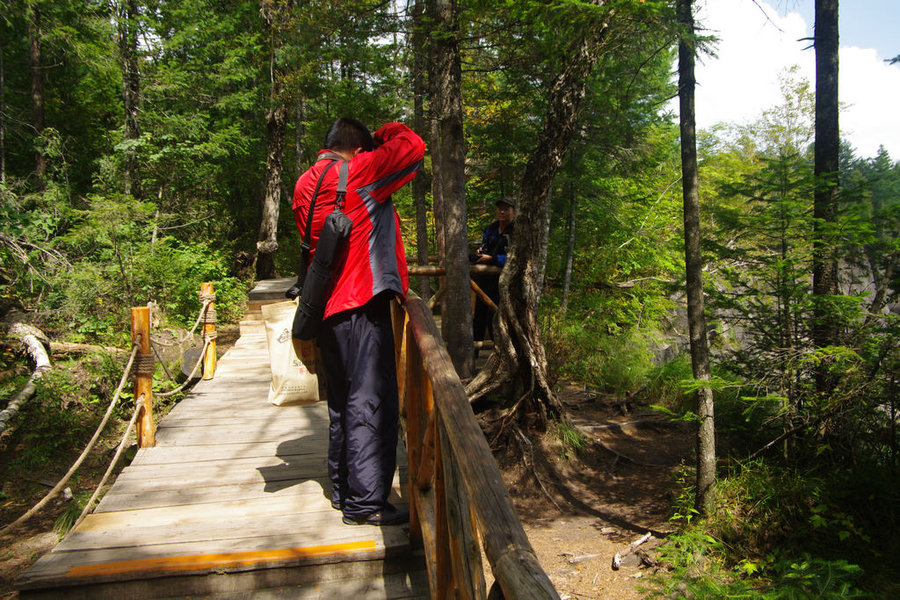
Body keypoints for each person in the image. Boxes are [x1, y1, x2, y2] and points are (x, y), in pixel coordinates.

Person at [292, 118, 425, 526]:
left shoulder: (304, 183)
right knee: (370, 402)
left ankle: (343, 490)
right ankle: (366, 504)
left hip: (325, 310)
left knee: (342, 403)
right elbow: (414, 147)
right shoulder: (360, 171)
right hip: (361, 304)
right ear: (357, 149)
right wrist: (384, 132)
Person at [471, 198, 515, 344]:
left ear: (513, 212)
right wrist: (481, 252)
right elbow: (484, 246)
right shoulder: (491, 229)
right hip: (484, 280)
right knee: (479, 316)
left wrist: (493, 258)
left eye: (506, 209)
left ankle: (498, 350)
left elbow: (515, 258)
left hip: (503, 282)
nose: (502, 212)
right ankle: (474, 351)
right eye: (500, 209)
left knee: (495, 317)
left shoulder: (516, 232)